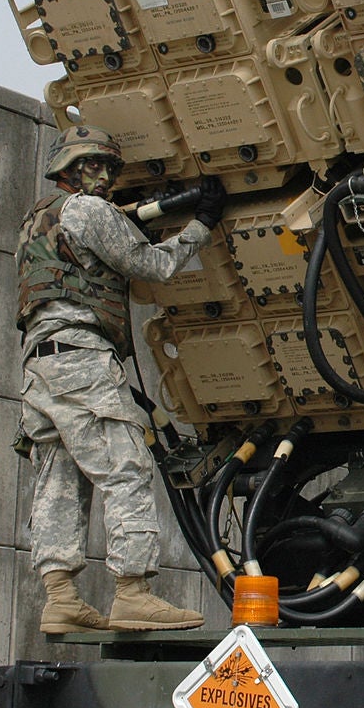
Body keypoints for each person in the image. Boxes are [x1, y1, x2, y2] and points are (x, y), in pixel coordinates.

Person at [16, 125, 227, 634]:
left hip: (40, 366)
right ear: (67, 168)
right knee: (125, 466)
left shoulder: (37, 219)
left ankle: (60, 598)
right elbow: (150, 265)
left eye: (110, 167)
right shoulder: (89, 211)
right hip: (82, 358)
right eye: (94, 165)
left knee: (59, 480)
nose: (105, 176)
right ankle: (133, 592)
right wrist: (201, 225)